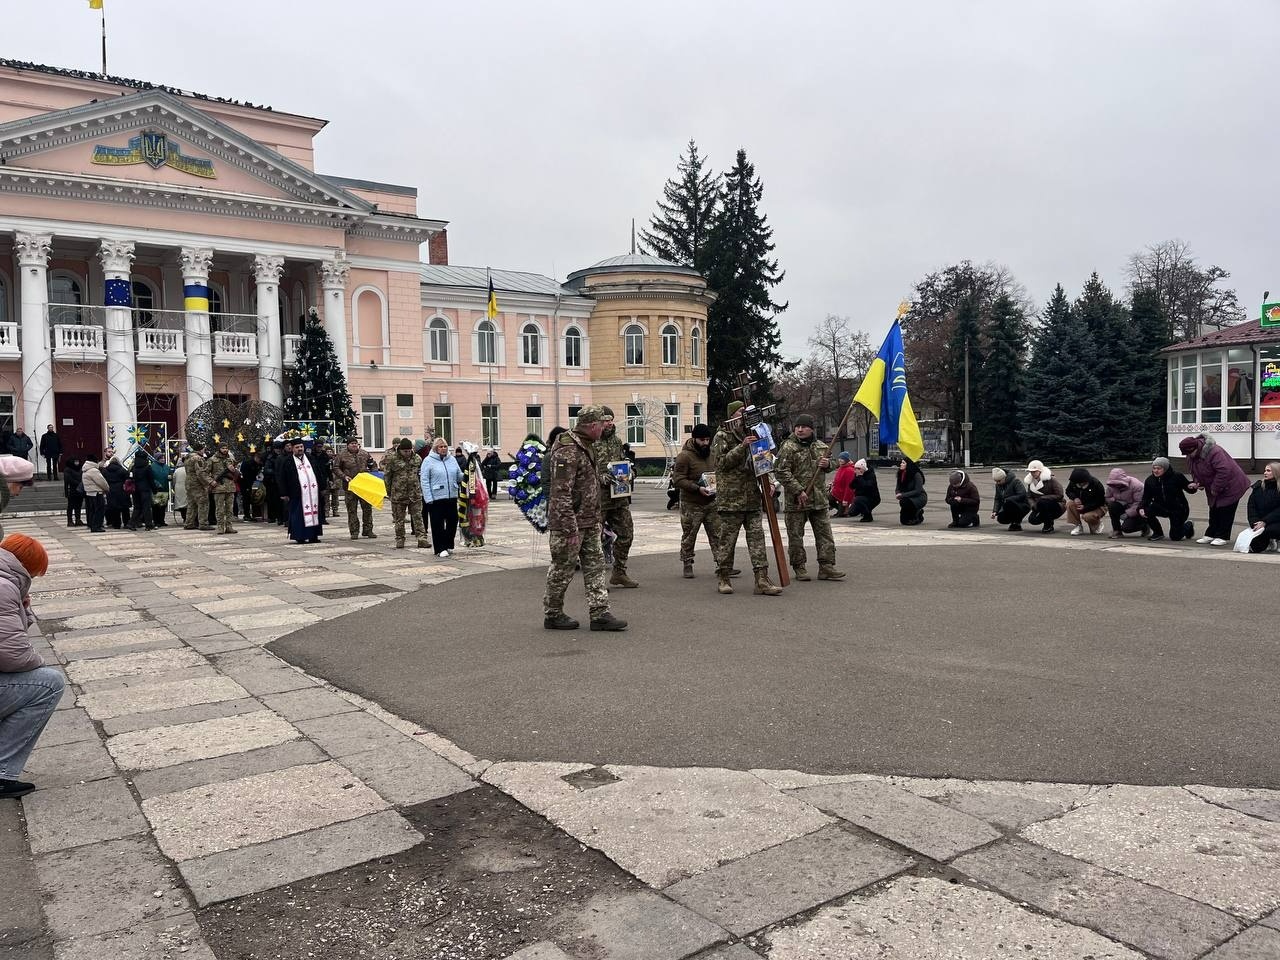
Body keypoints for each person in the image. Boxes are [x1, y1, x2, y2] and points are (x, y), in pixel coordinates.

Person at [542, 406, 627, 631]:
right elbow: (560, 492)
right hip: (569, 525)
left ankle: (600, 614)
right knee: (562, 570)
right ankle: (553, 613)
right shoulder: (567, 450)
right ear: (591, 425)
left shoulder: (587, 445)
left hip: (589, 520)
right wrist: (569, 528)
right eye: (602, 424)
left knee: (595, 567)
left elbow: (591, 482)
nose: (605, 428)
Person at [0, 533, 61, 799]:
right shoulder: (4, 587)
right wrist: (39, 662)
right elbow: (14, 655)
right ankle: (2, 772)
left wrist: (23, 608)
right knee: (49, 683)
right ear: (26, 567)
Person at [710, 401, 782, 596]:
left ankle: (762, 580)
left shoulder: (755, 433)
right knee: (727, 541)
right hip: (731, 499)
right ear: (732, 415)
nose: (745, 415)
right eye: (741, 412)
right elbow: (721, 463)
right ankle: (724, 577)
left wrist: (770, 482)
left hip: (752, 497)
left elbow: (764, 461)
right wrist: (742, 446)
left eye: (746, 412)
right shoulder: (722, 435)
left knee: (757, 539)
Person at [776, 414, 845, 582]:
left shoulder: (821, 446)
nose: (800, 430)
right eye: (797, 427)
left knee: (825, 535)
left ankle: (826, 566)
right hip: (797, 501)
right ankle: (799, 566)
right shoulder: (788, 447)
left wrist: (828, 464)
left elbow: (834, 462)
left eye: (804, 427)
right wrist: (798, 490)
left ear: (811, 429)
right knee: (796, 536)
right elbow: (781, 471)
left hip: (819, 499)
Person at [1179, 434, 1251, 546]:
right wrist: (1198, 483)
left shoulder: (1215, 452)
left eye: (1189, 453)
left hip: (1233, 484)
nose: (1188, 456)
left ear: (1195, 448)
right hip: (1214, 485)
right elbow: (1194, 471)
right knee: (1213, 508)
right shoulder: (1190, 456)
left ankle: (1222, 536)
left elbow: (1224, 471)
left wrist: (1215, 488)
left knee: (1226, 510)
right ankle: (1210, 534)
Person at [594, 407, 637, 588]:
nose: (610, 423)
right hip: (598, 500)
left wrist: (630, 472)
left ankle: (619, 572)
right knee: (594, 540)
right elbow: (584, 471)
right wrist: (601, 477)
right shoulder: (590, 443)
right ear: (598, 422)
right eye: (606, 420)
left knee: (627, 534)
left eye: (611, 420)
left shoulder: (616, 441)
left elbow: (621, 463)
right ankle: (596, 581)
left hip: (619, 497)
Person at [672, 422, 721, 578]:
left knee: (717, 534)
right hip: (691, 503)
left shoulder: (712, 453)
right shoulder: (684, 456)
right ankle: (687, 563)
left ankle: (722, 564)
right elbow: (678, 479)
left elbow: (718, 471)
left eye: (707, 439)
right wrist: (696, 488)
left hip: (711, 501)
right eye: (702, 440)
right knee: (689, 535)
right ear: (694, 439)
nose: (705, 443)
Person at [385, 438, 430, 549]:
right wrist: (389, 492)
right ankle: (400, 539)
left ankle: (422, 539)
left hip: (414, 493)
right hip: (398, 494)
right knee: (399, 519)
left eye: (409, 451)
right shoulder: (392, 459)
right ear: (400, 450)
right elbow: (387, 477)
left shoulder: (417, 458)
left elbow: (421, 474)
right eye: (405, 451)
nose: (407, 453)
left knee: (418, 517)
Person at [421, 437, 462, 557]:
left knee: (453, 522)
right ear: (436, 448)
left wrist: (468, 473)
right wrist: (428, 498)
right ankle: (440, 548)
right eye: (441, 447)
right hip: (436, 498)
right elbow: (424, 480)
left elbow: (458, 475)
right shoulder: (428, 461)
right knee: (437, 524)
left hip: (451, 496)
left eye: (445, 446)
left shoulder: (452, 459)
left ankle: (448, 544)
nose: (443, 449)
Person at [278, 438, 324, 544]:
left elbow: (319, 473)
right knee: (298, 516)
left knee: (314, 513)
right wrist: (284, 493)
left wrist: (322, 487)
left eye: (301, 447)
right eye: (297, 447)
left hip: (313, 494)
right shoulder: (287, 461)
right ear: (292, 448)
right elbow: (282, 478)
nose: (300, 449)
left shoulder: (310, 458)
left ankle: (313, 536)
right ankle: (300, 536)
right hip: (297, 494)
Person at [1139, 457, 1194, 543]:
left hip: (1177, 508)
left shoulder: (1177, 476)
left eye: (1159, 468)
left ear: (1165, 468)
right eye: (1154, 468)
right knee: (1146, 510)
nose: (1156, 471)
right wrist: (1141, 508)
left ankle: (1188, 525)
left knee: (1175, 537)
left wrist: (1192, 486)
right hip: (1161, 507)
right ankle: (1158, 533)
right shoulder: (1150, 480)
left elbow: (1189, 489)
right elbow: (1146, 497)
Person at [336, 438, 376, 540]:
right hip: (350, 487)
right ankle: (354, 531)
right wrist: (344, 476)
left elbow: (373, 465)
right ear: (347, 445)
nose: (354, 445)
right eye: (352, 444)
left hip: (364, 486)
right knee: (352, 510)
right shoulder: (341, 455)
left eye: (355, 443)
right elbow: (336, 468)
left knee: (367, 509)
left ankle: (368, 530)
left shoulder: (364, 453)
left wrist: (372, 474)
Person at [458, 441, 489, 548]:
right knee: (476, 517)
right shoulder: (474, 463)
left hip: (473, 497)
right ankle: (475, 538)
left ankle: (473, 538)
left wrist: (471, 496)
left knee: (473, 517)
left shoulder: (472, 464)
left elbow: (472, 481)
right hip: (474, 496)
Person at [1245, 462, 1280, 553]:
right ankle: (1269, 541)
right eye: (1265, 470)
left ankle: (1276, 539)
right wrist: (1254, 522)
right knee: (1254, 545)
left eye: (1268, 471)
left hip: (1275, 521)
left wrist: (1265, 521)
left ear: (1276, 472)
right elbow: (1251, 507)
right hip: (1261, 521)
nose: (1265, 473)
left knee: (1271, 529)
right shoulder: (1258, 487)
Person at [206, 443, 240, 535]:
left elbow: (236, 472)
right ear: (219, 449)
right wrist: (211, 481)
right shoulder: (212, 459)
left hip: (230, 487)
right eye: (223, 448)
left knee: (229, 509)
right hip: (218, 488)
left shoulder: (231, 459)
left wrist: (233, 470)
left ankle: (229, 527)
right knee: (220, 509)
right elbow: (205, 473)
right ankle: (220, 527)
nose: (225, 450)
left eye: (226, 448)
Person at [1104, 467, 1147, 539]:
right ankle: (1117, 530)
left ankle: (1144, 525)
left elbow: (1139, 503)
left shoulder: (1137, 486)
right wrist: (1116, 500)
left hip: (1138, 510)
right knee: (1112, 506)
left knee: (1126, 528)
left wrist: (1128, 514)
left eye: (1118, 483)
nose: (1116, 486)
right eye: (1114, 483)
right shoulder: (1111, 486)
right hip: (1123, 506)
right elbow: (1107, 497)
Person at [1025, 459, 1065, 533]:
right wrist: (1033, 505)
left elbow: (1060, 495)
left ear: (1040, 471)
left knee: (1043, 502)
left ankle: (1048, 525)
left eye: (1034, 471)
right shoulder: (1030, 481)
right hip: (1039, 505)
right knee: (1032, 520)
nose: (1032, 473)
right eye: (1031, 472)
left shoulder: (1051, 479)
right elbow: (1029, 496)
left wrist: (1043, 498)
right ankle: (1048, 519)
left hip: (1056, 505)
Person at [1065, 467, 1106, 535]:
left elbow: (1100, 501)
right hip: (1082, 504)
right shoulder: (1073, 482)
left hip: (1097, 507)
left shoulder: (1096, 484)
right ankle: (1078, 526)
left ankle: (1097, 523)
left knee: (1087, 517)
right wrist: (1075, 498)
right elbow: (1068, 491)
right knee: (1069, 504)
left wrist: (1085, 507)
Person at [182, 443, 213, 531]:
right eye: (203, 449)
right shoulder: (198, 458)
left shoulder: (188, 458)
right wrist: (208, 483)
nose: (204, 451)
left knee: (191, 504)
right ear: (200, 449)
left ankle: (189, 523)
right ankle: (203, 524)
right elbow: (201, 473)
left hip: (189, 483)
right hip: (197, 484)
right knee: (203, 503)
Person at [101, 450, 131, 530]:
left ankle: (116, 524)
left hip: (110, 490)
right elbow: (127, 477)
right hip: (122, 490)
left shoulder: (105, 470)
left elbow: (103, 479)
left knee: (114, 508)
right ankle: (126, 522)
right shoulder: (122, 470)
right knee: (124, 508)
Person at [128, 449, 155, 531]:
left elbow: (130, 477)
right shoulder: (147, 467)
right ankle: (149, 525)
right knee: (146, 508)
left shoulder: (133, 467)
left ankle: (131, 523)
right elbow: (151, 479)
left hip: (135, 490)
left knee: (137, 507)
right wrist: (154, 489)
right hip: (145, 489)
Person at [894, 458, 927, 526]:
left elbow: (918, 491)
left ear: (908, 465)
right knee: (903, 521)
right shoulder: (900, 474)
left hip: (919, 498)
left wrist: (902, 495)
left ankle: (917, 514)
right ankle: (914, 513)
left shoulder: (916, 474)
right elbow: (897, 488)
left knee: (904, 503)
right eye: (901, 462)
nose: (901, 464)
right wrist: (898, 494)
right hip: (907, 498)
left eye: (903, 463)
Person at [81, 457, 108, 532]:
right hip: (97, 492)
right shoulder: (93, 470)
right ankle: (96, 526)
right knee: (99, 510)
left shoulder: (85, 469)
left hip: (89, 492)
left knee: (92, 510)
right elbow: (101, 482)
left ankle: (92, 524)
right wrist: (107, 488)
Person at [149, 453, 172, 527]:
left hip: (165, 489)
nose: (163, 459)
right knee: (156, 507)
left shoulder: (166, 467)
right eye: (161, 458)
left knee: (163, 506)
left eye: (163, 458)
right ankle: (156, 521)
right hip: (156, 490)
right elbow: (151, 478)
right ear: (157, 459)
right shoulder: (152, 466)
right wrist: (157, 484)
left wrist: (170, 477)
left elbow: (170, 475)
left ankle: (162, 521)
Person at [239, 450, 263, 522]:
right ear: (256, 458)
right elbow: (244, 475)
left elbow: (258, 474)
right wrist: (248, 487)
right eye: (259, 460)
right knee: (246, 499)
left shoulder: (258, 464)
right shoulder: (247, 463)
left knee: (254, 498)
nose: (259, 462)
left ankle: (255, 514)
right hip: (245, 483)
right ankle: (247, 515)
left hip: (254, 483)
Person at [830, 452, 855, 517]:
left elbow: (849, 487)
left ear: (846, 460)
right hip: (836, 492)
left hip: (843, 495)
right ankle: (841, 510)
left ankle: (843, 511)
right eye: (839, 458)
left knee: (840, 514)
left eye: (842, 459)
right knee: (828, 499)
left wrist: (846, 499)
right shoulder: (841, 467)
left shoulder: (849, 470)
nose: (840, 460)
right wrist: (833, 483)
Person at [63, 457, 84, 527]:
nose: (77, 463)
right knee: (71, 506)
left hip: (79, 490)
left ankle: (78, 519)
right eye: (75, 461)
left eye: (78, 461)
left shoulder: (80, 469)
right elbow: (68, 479)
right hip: (71, 490)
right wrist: (78, 483)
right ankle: (70, 520)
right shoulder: (67, 469)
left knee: (78, 506)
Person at [172, 456, 188, 525]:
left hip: (179, 489)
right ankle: (188, 519)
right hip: (187, 488)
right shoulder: (189, 469)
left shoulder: (177, 471)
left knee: (181, 504)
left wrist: (174, 488)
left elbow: (174, 481)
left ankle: (184, 518)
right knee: (188, 504)